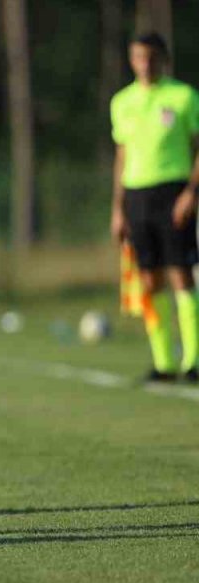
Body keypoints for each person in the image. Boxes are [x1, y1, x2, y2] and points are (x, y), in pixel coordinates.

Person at [111, 32, 199, 383]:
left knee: (181, 273)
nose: (144, 64)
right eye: (138, 57)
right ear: (131, 60)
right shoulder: (122, 102)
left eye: (150, 57)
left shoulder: (183, 96)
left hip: (174, 192)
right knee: (149, 279)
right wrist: (118, 208)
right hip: (136, 196)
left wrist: (191, 192)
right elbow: (121, 156)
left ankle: (193, 360)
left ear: (162, 58)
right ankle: (164, 363)